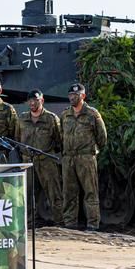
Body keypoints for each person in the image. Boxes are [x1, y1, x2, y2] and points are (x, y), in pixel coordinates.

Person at [60, 83, 107, 230]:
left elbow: (102, 137)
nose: (73, 98)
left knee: (90, 191)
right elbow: (61, 134)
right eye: (71, 95)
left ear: (83, 96)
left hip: (86, 157)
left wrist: (92, 151)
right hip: (68, 158)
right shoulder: (65, 115)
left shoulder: (92, 114)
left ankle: (93, 224)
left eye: (76, 95)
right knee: (69, 192)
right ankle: (70, 223)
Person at [16, 89, 63, 224]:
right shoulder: (22, 118)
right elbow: (17, 138)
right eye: (30, 100)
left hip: (46, 161)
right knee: (28, 193)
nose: (32, 103)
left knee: (54, 192)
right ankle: (30, 221)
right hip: (28, 161)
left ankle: (59, 222)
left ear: (41, 100)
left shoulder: (51, 118)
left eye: (35, 100)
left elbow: (59, 140)